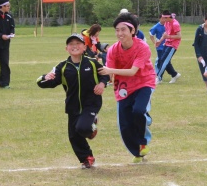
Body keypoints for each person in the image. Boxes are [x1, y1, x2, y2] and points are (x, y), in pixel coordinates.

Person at [37, 33, 109, 169]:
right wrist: (45, 77)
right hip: (72, 106)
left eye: (78, 44)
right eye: (71, 44)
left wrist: (102, 84)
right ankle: (86, 158)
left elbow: (105, 74)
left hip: (91, 103)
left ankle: (91, 125)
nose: (74, 46)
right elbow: (45, 83)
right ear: (66, 48)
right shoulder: (63, 67)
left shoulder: (92, 63)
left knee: (83, 128)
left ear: (84, 47)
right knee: (73, 135)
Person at [99, 12, 157, 163]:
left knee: (138, 110)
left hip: (144, 82)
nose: (120, 33)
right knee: (124, 124)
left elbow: (132, 71)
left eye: (123, 29)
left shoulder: (142, 47)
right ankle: (137, 152)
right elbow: (108, 73)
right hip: (123, 86)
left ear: (133, 31)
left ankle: (143, 140)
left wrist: (110, 71)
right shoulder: (113, 50)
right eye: (117, 30)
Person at [155, 10, 181, 84]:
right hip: (167, 43)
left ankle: (159, 78)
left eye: (164, 18)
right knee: (163, 60)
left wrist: (169, 36)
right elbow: (165, 33)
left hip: (173, 45)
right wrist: (160, 41)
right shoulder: (166, 23)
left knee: (164, 60)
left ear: (168, 17)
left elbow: (179, 36)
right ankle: (174, 74)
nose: (162, 20)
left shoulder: (175, 24)